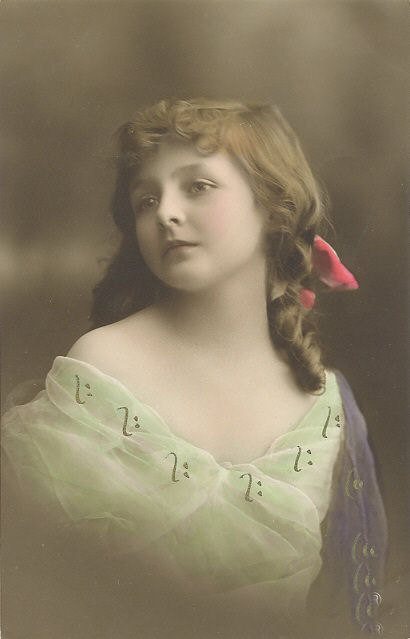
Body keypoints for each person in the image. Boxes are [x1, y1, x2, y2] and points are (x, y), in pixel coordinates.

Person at [2, 99, 387, 638]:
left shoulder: (325, 409)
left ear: (272, 207)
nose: (165, 212)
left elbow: (351, 611)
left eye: (198, 186)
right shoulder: (104, 366)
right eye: (146, 199)